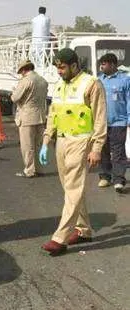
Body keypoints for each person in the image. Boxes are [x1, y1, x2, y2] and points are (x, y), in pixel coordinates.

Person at [39, 48, 107, 255]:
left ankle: (60, 238)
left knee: (74, 188)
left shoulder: (91, 84)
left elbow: (100, 117)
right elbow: (53, 114)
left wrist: (96, 148)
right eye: (57, 67)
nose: (59, 71)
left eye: (62, 67)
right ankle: (84, 229)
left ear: (75, 65)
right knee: (70, 189)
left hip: (81, 141)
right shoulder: (60, 86)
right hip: (61, 142)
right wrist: (45, 140)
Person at [97, 53, 130, 193]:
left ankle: (119, 179)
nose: (101, 66)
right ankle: (105, 176)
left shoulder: (125, 80)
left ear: (112, 64)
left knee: (118, 152)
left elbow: (129, 100)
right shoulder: (99, 80)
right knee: (103, 150)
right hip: (102, 122)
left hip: (119, 122)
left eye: (104, 64)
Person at [11, 60, 49, 178]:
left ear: (24, 70)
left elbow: (15, 98)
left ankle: (29, 170)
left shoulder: (26, 81)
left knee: (27, 146)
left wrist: (13, 92)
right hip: (40, 116)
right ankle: (40, 169)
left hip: (27, 116)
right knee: (38, 144)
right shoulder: (43, 80)